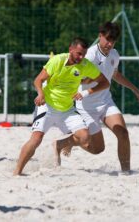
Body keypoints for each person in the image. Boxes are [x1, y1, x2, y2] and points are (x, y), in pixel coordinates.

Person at [54, 22, 139, 172]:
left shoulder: (114, 55)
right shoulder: (89, 55)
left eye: (113, 41)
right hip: (86, 106)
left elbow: (114, 75)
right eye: (107, 39)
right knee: (98, 149)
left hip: (105, 102)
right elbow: (76, 77)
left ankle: (126, 172)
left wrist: (135, 89)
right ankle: (63, 143)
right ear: (100, 36)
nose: (110, 43)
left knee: (122, 133)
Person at [13, 37, 110, 176]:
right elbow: (38, 80)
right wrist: (40, 94)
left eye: (84, 53)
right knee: (36, 139)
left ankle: (61, 144)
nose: (81, 57)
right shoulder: (57, 60)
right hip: (47, 106)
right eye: (78, 53)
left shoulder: (86, 65)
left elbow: (105, 83)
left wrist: (86, 92)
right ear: (70, 50)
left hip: (67, 109)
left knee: (84, 137)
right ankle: (17, 172)